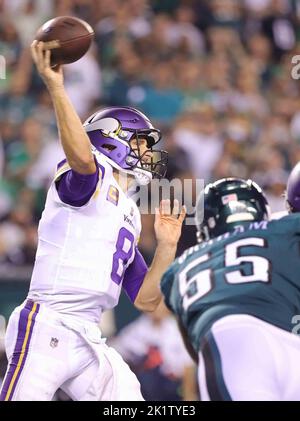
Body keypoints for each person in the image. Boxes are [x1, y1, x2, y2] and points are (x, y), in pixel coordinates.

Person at [0, 41, 186, 401]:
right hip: (48, 324)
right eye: (141, 144)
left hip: (89, 335)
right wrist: (57, 87)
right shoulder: (90, 174)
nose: (148, 153)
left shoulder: (130, 212)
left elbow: (147, 301)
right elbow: (83, 162)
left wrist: (166, 247)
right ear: (113, 139)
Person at [161, 177, 300, 401]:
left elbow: (193, 342)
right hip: (291, 341)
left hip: (229, 342)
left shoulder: (179, 268)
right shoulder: (282, 228)